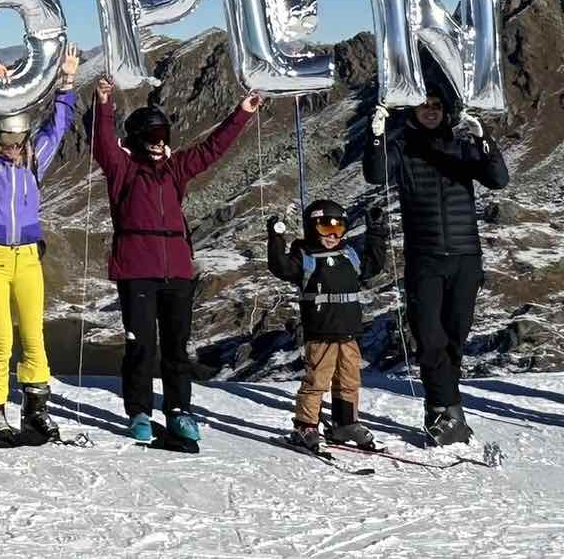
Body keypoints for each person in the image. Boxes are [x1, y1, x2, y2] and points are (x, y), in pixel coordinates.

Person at [92, 72, 261, 447]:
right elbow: (103, 144)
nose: (158, 144)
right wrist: (103, 103)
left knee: (176, 346)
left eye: (163, 137)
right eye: (151, 137)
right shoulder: (122, 170)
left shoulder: (175, 169)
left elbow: (212, 149)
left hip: (178, 272)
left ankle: (179, 410)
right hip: (137, 270)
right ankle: (138, 411)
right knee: (141, 345)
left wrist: (242, 112)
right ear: (136, 139)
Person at [363, 76, 510, 446]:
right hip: (424, 258)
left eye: (436, 106)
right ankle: (443, 410)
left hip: (465, 257)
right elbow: (375, 173)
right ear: (412, 110)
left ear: (446, 111)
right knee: (430, 337)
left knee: (455, 338)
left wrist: (484, 140)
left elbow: (498, 180)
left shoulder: (461, 148)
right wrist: (377, 134)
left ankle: (446, 408)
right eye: (423, 105)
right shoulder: (403, 147)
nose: (430, 111)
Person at [0, 47, 80, 444]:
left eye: (17, 136)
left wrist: (67, 82)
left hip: (28, 258)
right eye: (5, 136)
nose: (11, 144)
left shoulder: (34, 159)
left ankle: (36, 411)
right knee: (2, 341)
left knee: (33, 336)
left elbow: (58, 126)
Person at [268, 196, 388, 454]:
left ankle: (346, 423)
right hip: (321, 332)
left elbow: (374, 266)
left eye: (339, 228)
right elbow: (280, 267)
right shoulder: (305, 257)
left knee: (349, 379)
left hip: (349, 332)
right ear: (312, 229)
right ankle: (305, 426)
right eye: (325, 228)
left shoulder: (349, 256)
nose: (333, 235)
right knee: (317, 380)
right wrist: (276, 237)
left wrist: (376, 232)